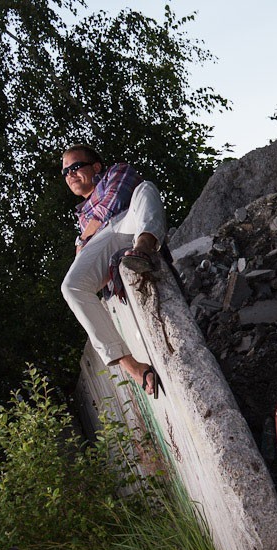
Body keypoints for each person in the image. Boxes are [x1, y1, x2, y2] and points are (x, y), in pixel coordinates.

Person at [59, 144, 164, 396]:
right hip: (105, 239)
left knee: (146, 189)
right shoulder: (81, 217)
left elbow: (114, 201)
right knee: (71, 287)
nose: (70, 175)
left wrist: (83, 239)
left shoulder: (117, 172)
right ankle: (132, 366)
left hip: (128, 223)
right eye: (65, 172)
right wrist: (85, 238)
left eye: (75, 167)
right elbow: (85, 248)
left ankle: (144, 248)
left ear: (95, 167)